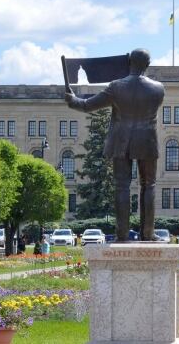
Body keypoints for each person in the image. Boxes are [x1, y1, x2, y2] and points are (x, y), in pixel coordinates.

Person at [66, 48, 165, 242]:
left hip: (122, 139)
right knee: (149, 185)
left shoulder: (116, 86)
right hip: (147, 139)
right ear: (148, 65)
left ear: (129, 62)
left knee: (122, 187)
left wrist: (72, 100)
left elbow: (88, 105)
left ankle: (122, 234)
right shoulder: (158, 88)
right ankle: (148, 233)